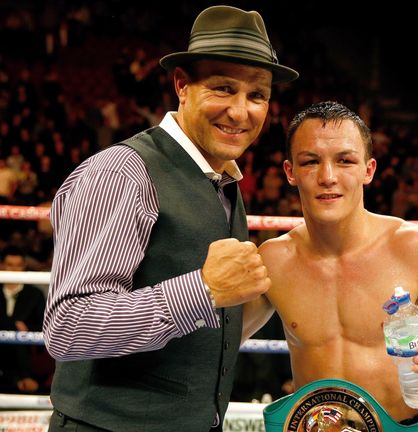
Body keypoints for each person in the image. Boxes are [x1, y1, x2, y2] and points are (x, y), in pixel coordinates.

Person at [42, 5, 297, 432]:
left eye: (257, 96)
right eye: (223, 88)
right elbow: (69, 327)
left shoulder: (222, 181)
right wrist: (204, 288)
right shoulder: (122, 171)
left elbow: (205, 328)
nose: (240, 112)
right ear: (182, 85)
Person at [245, 101, 418, 428]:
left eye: (345, 161)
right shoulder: (274, 260)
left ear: (368, 170)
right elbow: (219, 345)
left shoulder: (417, 249)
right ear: (290, 172)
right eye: (311, 161)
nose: (328, 177)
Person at [0, 246, 49, 394]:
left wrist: (27, 328)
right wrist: (12, 326)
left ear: (24, 266)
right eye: (10, 265)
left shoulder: (34, 294)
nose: (14, 270)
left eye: (18, 265)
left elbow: (44, 326)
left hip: (25, 353)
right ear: (0, 266)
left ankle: (23, 378)